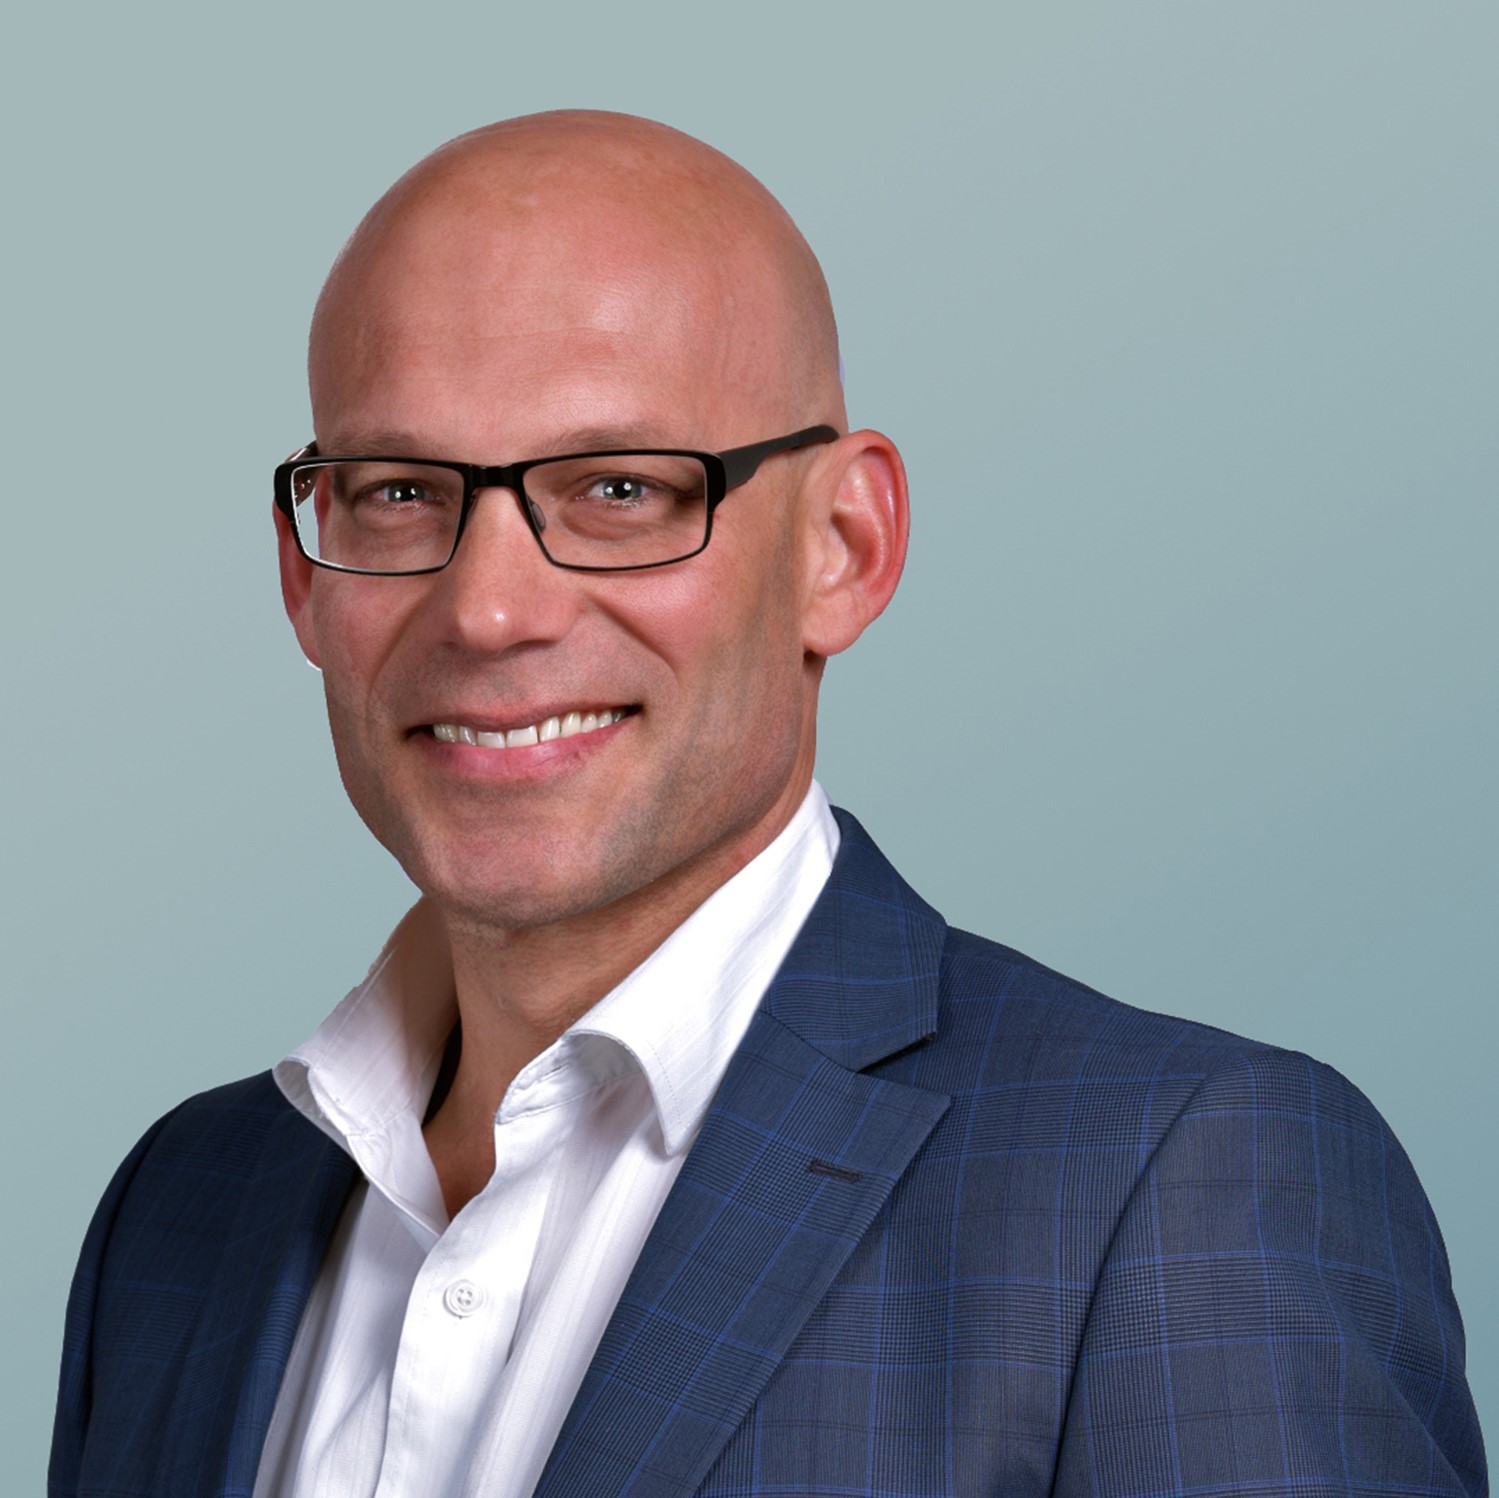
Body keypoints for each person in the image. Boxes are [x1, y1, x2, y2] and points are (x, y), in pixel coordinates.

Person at [51, 111, 1485, 1498]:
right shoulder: (178, 1217)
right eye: (399, 493)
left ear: (843, 548)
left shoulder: (1172, 1194)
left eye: (620, 487)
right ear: (303, 578)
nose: (487, 609)